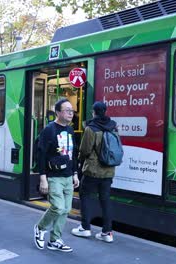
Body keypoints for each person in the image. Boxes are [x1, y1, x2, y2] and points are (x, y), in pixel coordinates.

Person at [33, 98, 79, 253]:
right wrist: (43, 178)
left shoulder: (71, 130)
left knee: (66, 209)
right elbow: (41, 155)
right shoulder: (49, 130)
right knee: (58, 207)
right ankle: (40, 228)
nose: (71, 113)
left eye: (72, 110)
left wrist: (75, 173)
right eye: (67, 110)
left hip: (68, 176)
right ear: (58, 112)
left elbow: (73, 154)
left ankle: (55, 240)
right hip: (53, 176)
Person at [71, 101, 117, 243]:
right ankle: (107, 233)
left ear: (94, 112)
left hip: (92, 170)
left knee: (85, 195)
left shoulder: (91, 128)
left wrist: (79, 163)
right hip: (109, 170)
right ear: (105, 111)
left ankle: (85, 228)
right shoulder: (113, 126)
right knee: (105, 199)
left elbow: (85, 150)